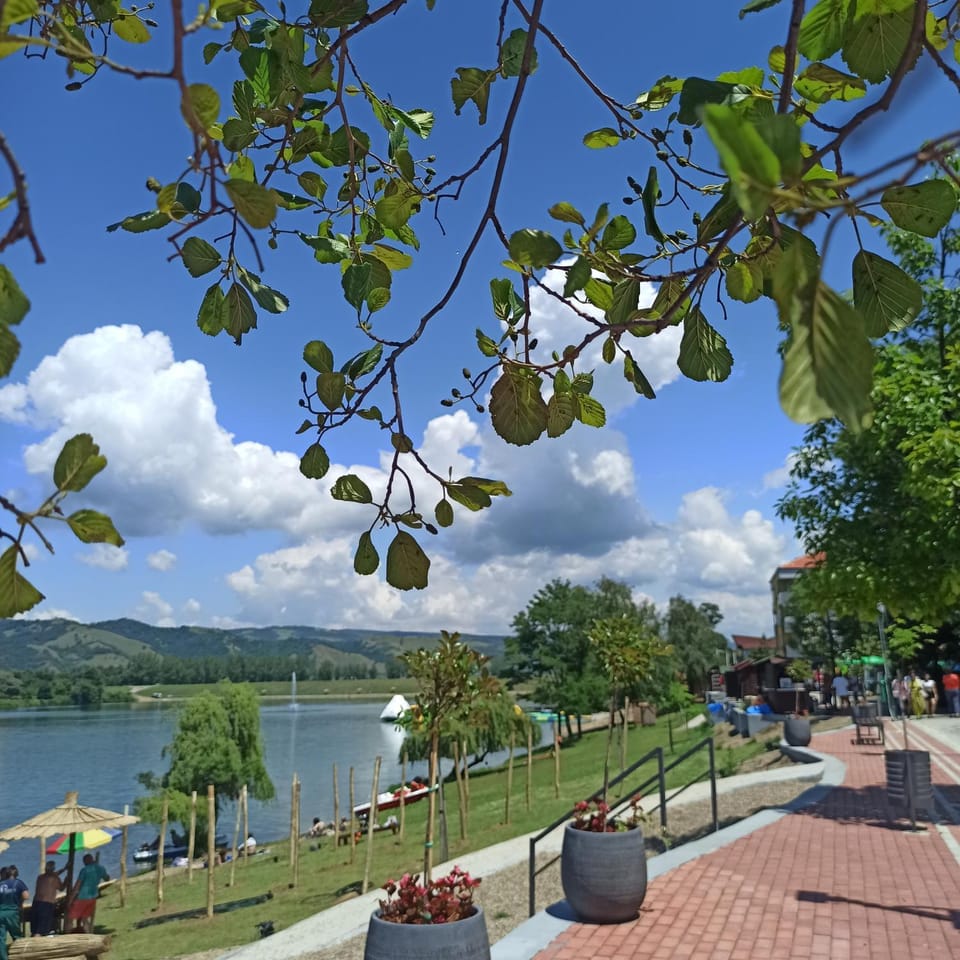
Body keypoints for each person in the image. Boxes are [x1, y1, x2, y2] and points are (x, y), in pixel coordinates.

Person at [67, 854, 108, 934]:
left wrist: (70, 900)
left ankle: (68, 936)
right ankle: (89, 935)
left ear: (85, 862)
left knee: (70, 918)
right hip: (93, 896)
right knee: (84, 918)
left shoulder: (84, 870)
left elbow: (77, 887)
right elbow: (106, 878)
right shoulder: (100, 868)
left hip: (83, 896)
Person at [0, 864, 29, 960]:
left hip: (1, 913)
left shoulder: (1, 883)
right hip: (12, 912)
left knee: (1, 938)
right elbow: (26, 896)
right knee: (17, 936)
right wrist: (19, 902)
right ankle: (20, 955)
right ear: (16, 874)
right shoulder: (18, 883)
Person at [32, 861, 65, 937]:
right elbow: (61, 888)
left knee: (36, 928)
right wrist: (66, 880)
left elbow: (53, 874)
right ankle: (36, 946)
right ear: (53, 869)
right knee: (41, 930)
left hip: (36, 903)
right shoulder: (55, 878)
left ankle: (34, 943)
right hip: (46, 904)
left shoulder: (40, 877)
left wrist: (64, 869)